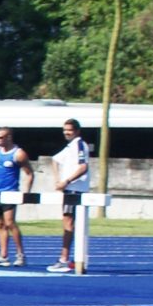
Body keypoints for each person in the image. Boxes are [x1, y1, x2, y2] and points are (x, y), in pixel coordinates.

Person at [47, 117, 92, 272]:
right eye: (65, 130)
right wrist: (57, 179)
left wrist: (65, 181)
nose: (66, 133)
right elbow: (54, 160)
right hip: (68, 188)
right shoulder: (70, 147)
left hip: (75, 189)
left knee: (69, 224)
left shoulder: (79, 144)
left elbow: (83, 167)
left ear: (77, 131)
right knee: (70, 223)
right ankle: (74, 259)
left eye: (70, 130)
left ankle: (65, 259)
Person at [0, 127, 29, 267]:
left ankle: (20, 255)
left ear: (9, 137)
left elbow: (29, 173)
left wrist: (25, 193)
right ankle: (3, 255)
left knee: (10, 223)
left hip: (10, 193)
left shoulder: (19, 154)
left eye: (1, 137)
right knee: (0, 224)